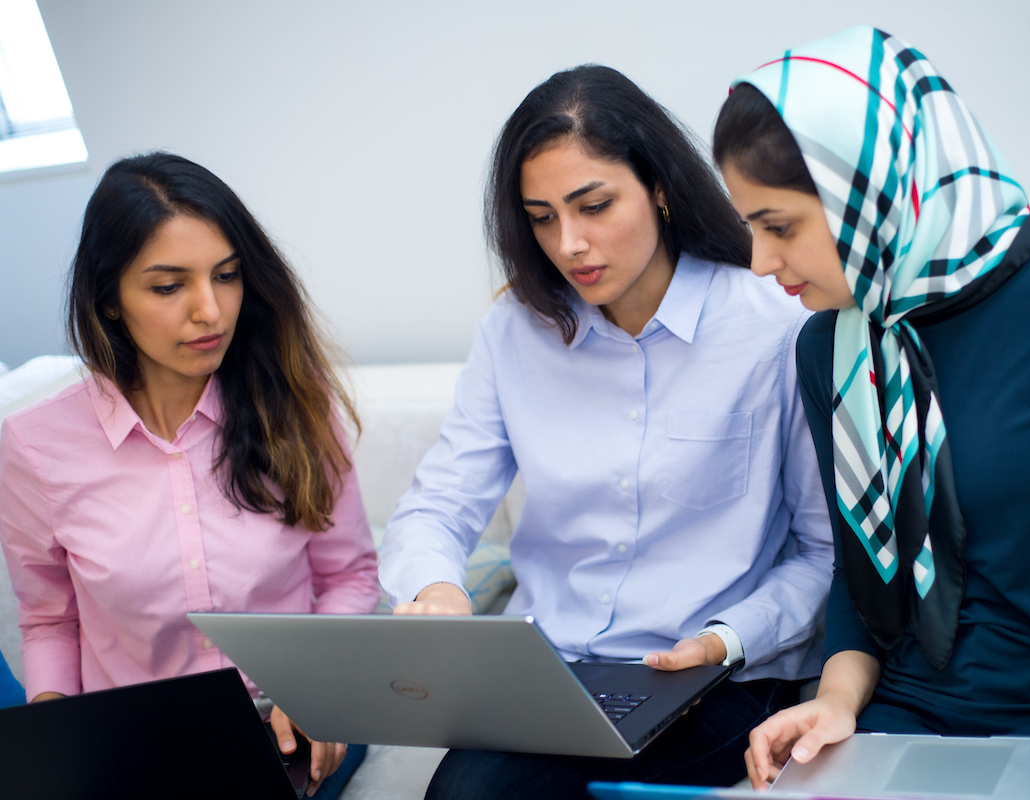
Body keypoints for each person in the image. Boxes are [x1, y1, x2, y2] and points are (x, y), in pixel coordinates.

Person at [712, 25, 1030, 800]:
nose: (760, 262)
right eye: (750, 228)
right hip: (911, 726)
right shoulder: (830, 348)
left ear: (872, 191)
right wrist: (834, 705)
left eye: (781, 227)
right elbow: (862, 567)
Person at [379, 65, 834, 798]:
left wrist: (726, 639)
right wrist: (440, 593)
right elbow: (436, 507)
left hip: (719, 680)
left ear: (657, 185)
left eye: (594, 206)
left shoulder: (773, 325)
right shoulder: (514, 332)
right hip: (555, 681)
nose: (570, 244)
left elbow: (824, 554)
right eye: (542, 217)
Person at [0, 153, 379, 798]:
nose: (211, 310)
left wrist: (317, 687)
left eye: (226, 276)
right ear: (109, 300)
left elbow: (349, 576)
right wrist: (58, 731)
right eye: (169, 286)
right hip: (136, 737)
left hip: (290, 721)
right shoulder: (33, 446)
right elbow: (49, 620)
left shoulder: (294, 400)